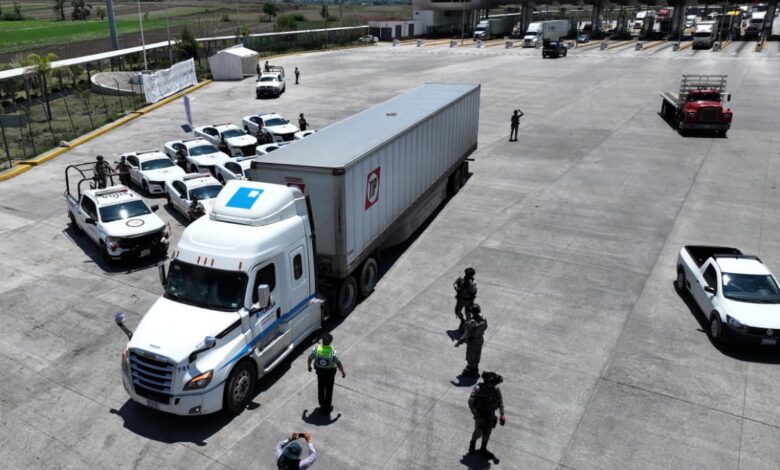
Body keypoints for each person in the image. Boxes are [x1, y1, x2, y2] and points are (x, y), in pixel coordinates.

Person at [468, 371, 507, 458]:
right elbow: (470, 402)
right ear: (486, 382)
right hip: (480, 414)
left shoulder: (496, 389)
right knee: (478, 432)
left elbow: (500, 401)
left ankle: (483, 449)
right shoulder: (478, 388)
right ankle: (472, 444)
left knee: (487, 432)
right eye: (492, 383)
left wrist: (502, 414)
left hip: (490, 414)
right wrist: (475, 413)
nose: (493, 385)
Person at [307, 333, 345, 414]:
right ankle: (327, 408)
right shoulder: (332, 351)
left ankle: (322, 404)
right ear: (330, 342)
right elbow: (338, 363)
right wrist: (342, 372)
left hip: (320, 373)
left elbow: (310, 358)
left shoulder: (317, 349)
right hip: (330, 374)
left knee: (320, 388)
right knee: (329, 390)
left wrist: (309, 366)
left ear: (322, 341)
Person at [455, 304, 487, 377]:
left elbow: (466, 335)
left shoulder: (470, 323)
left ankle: (472, 370)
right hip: (480, 340)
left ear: (472, 312)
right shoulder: (483, 321)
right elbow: (485, 328)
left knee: (470, 356)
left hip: (472, 341)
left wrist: (459, 342)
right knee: (477, 354)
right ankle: (475, 367)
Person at [453, 267, 477, 331]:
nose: (466, 275)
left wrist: (470, 285)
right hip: (460, 300)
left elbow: (474, 291)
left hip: (468, 301)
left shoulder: (473, 283)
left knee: (468, 315)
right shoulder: (461, 280)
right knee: (457, 312)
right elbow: (455, 284)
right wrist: (457, 288)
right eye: (466, 274)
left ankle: (468, 328)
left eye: (468, 274)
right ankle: (462, 320)